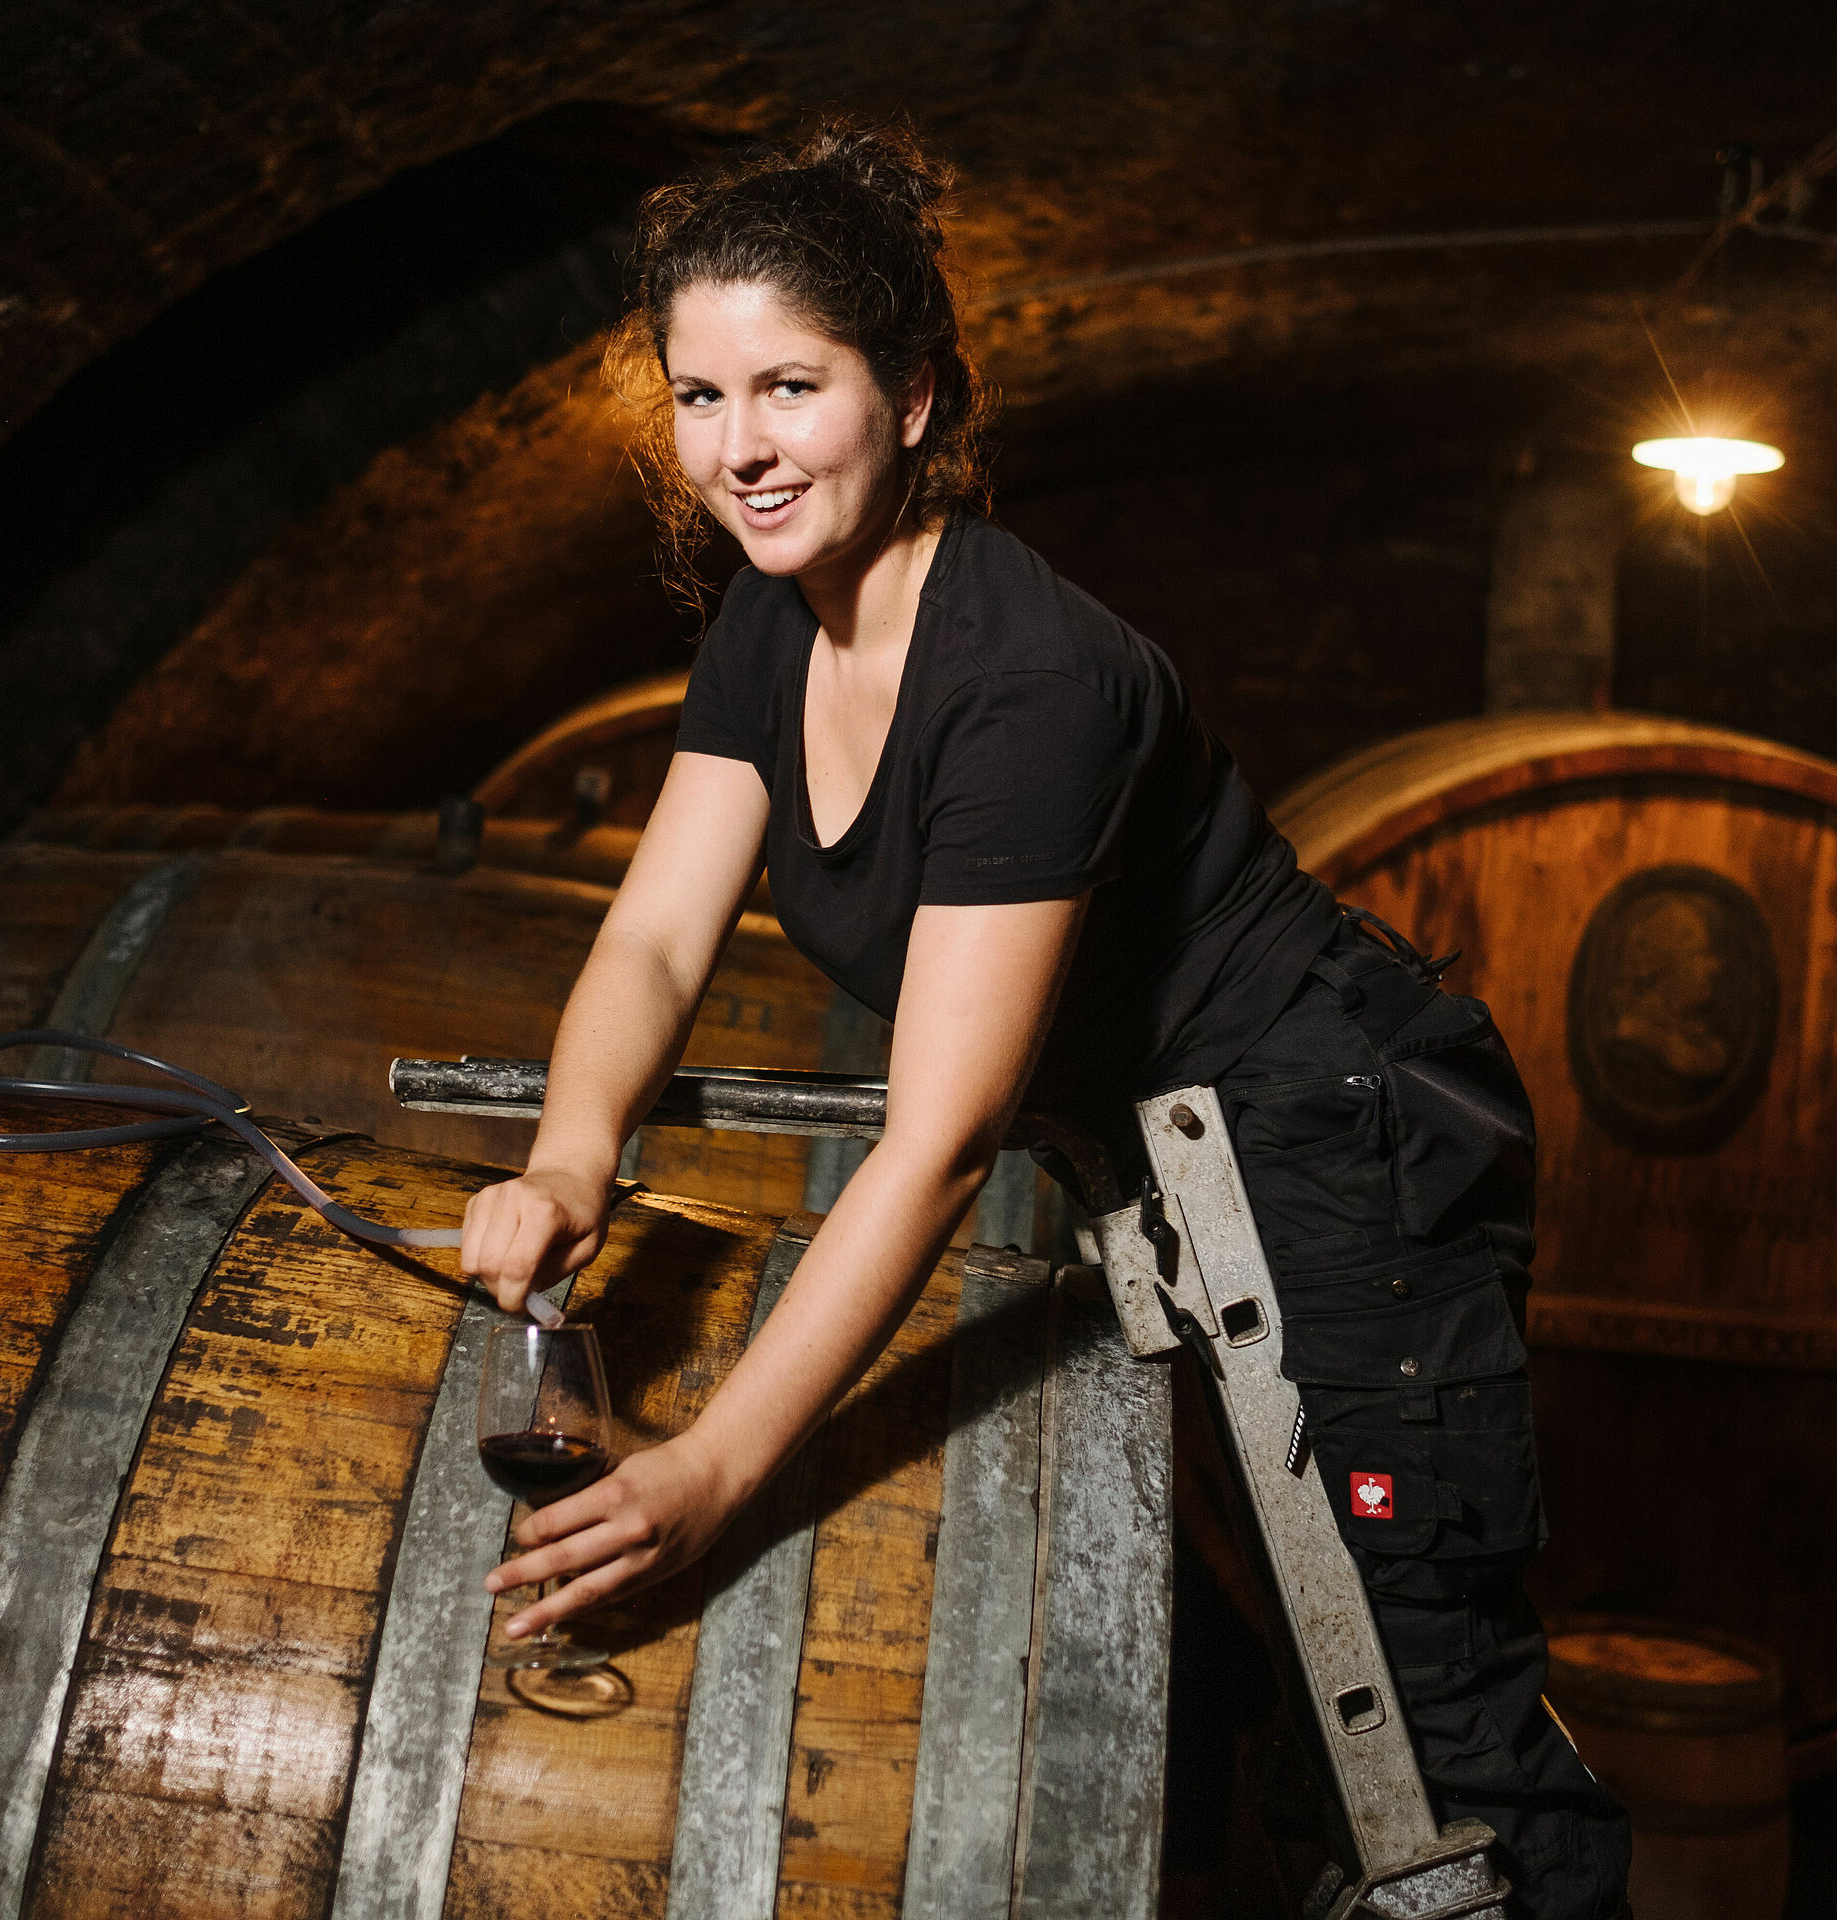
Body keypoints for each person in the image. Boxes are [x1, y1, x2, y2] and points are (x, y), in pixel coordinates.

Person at [458, 120, 1631, 1918]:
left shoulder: (1027, 677)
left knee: (1427, 1745)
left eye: (791, 385)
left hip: (1335, 1143)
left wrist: (710, 1470)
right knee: (1272, 1714)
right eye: (701, 396)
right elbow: (650, 944)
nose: (741, 449)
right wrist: (567, 1154)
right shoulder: (771, 625)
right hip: (1170, 1165)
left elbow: (937, 1141)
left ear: (914, 397)